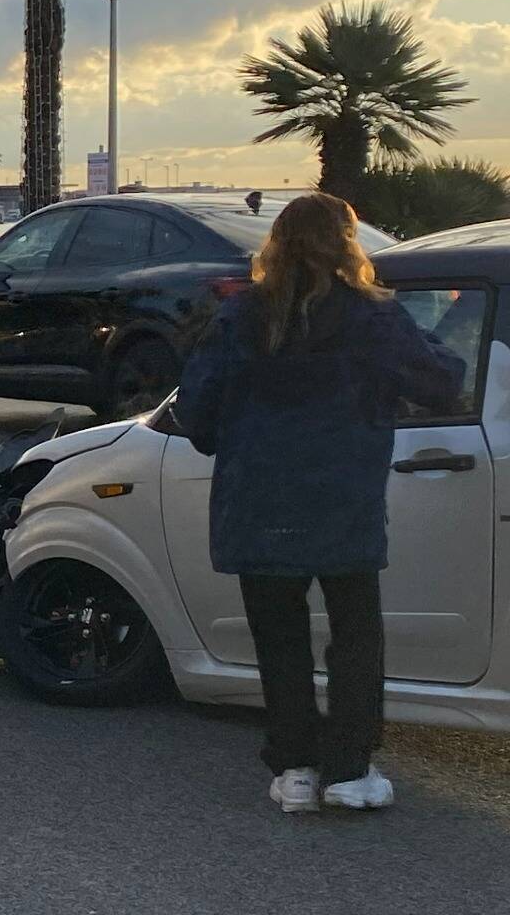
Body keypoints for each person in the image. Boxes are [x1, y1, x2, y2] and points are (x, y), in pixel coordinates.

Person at [177, 193, 463, 814]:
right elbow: (440, 381)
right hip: (343, 503)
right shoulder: (372, 315)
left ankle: (296, 770)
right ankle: (351, 770)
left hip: (258, 504)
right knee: (355, 637)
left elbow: (196, 414)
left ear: (274, 244)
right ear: (347, 244)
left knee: (280, 640)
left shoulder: (239, 317)